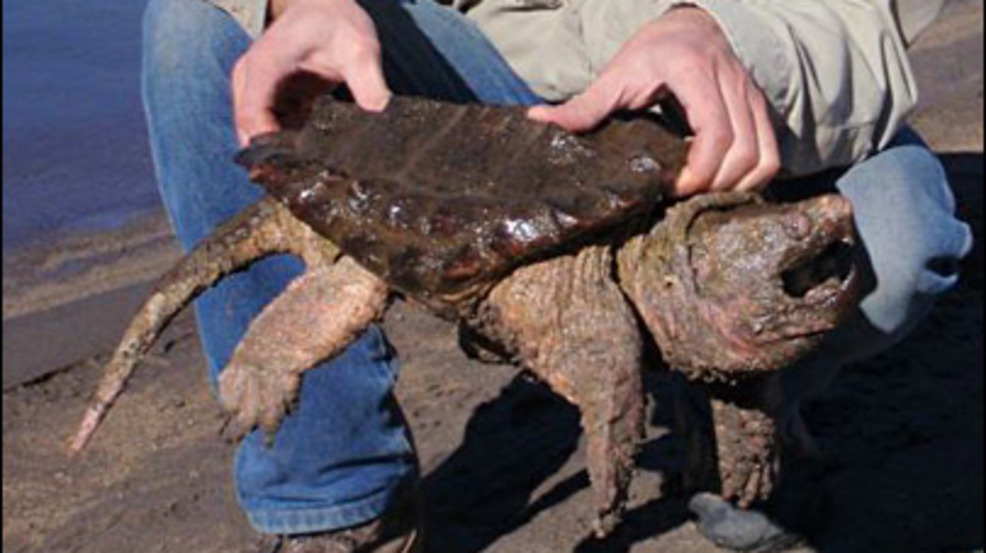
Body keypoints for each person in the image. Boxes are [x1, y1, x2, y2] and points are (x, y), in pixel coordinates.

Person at [141, 0, 973, 550]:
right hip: (515, 97)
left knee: (897, 247)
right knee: (200, 23)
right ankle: (334, 498)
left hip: (747, 86)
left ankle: (730, 398)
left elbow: (861, 17)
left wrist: (717, 28)